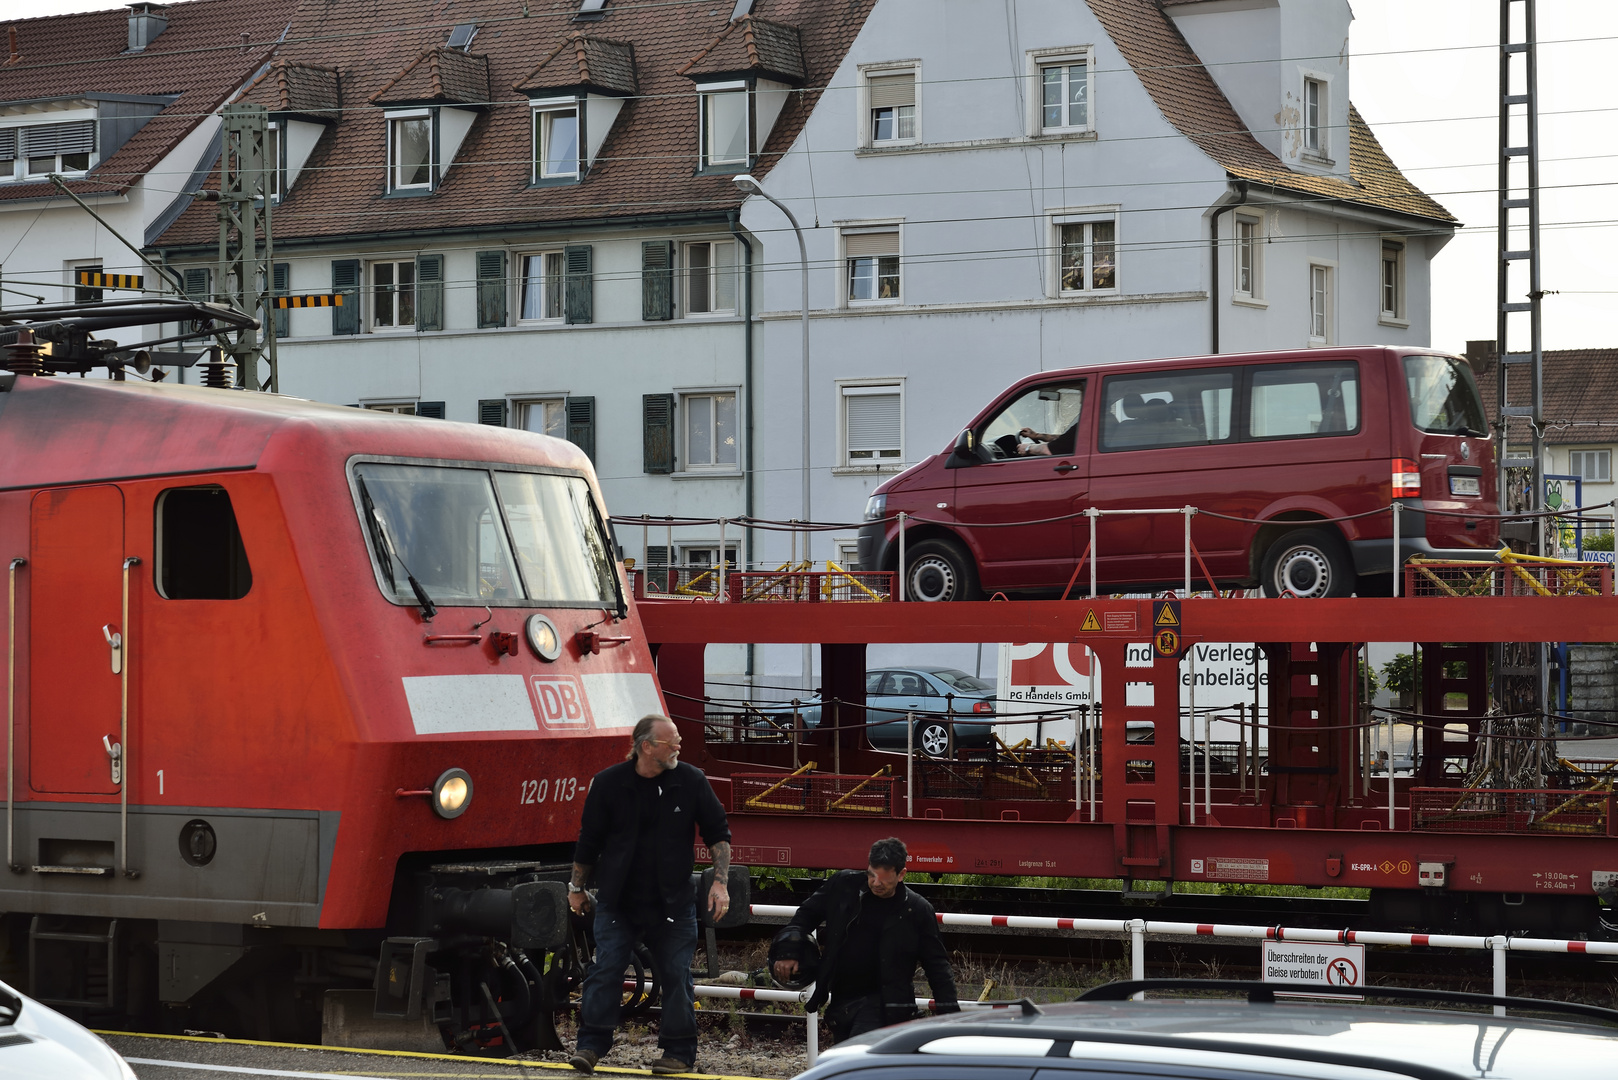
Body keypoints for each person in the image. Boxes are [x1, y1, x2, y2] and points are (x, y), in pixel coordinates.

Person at [568, 715, 731, 1075]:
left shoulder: (690, 780)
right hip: (618, 901)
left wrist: (720, 882)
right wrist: (576, 888)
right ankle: (590, 1046)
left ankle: (679, 1053)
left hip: (673, 903)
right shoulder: (609, 784)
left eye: (677, 742)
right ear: (646, 746)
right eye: (670, 741)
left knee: (676, 974)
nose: (678, 747)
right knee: (605, 969)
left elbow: (718, 832)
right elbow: (589, 840)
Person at [771, 837, 958, 1041]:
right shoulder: (844, 885)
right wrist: (789, 951)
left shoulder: (917, 910)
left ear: (901, 874)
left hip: (887, 1005)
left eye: (883, 879)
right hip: (842, 1002)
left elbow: (937, 966)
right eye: (871, 875)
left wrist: (950, 1019)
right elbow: (806, 915)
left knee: (854, 1061)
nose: (875, 883)